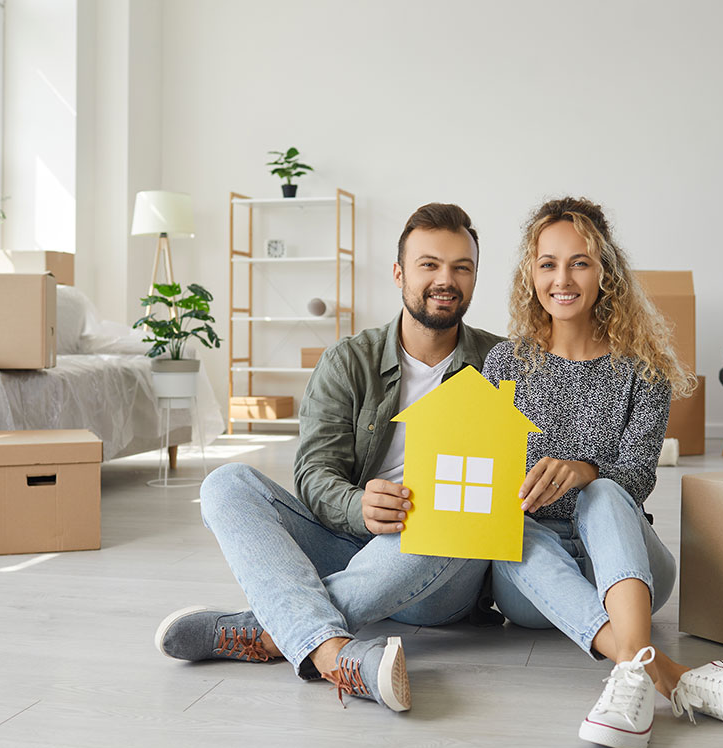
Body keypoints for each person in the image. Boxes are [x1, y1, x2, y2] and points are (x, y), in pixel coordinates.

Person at [154, 203, 502, 712]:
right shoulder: (348, 360)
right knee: (225, 483)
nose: (444, 280)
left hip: (441, 572)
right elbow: (314, 474)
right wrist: (358, 506)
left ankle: (273, 631)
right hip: (351, 542)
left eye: (460, 267)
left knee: (458, 517)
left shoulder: (504, 365)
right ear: (399, 273)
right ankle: (333, 650)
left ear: (474, 277)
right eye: (429, 264)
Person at [482, 197, 723, 748]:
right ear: (529, 274)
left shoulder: (643, 368)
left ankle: (630, 683)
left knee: (606, 491)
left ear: (605, 270)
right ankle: (666, 676)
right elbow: (489, 479)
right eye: (547, 263)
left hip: (627, 560)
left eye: (580, 262)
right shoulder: (504, 365)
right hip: (536, 580)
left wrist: (585, 471)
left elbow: (635, 478)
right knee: (515, 534)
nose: (562, 279)